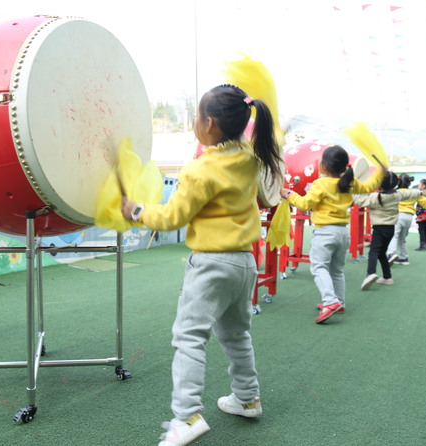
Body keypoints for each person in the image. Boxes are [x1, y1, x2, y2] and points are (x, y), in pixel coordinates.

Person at [121, 84, 283, 446]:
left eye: (196, 117)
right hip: (244, 263)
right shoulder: (251, 159)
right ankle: (247, 398)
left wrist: (136, 211)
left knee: (189, 338)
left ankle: (187, 416)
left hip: (211, 264)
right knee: (237, 334)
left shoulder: (200, 169)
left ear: (208, 124)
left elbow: (172, 217)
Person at [281, 146, 384, 323]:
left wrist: (288, 194)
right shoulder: (350, 182)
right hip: (343, 232)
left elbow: (305, 204)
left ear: (325, 166)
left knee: (319, 267)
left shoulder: (320, 184)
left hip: (325, 233)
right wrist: (381, 173)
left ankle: (330, 302)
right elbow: (369, 185)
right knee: (337, 271)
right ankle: (339, 302)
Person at [353, 172, 424, 290]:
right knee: (381, 253)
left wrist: (355, 190)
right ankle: (387, 277)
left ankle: (370, 274)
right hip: (390, 229)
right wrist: (420, 192)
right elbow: (410, 193)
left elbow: (359, 201)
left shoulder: (375, 197)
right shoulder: (398, 194)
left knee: (373, 252)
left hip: (379, 229)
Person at [386, 174, 426, 265]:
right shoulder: (414, 193)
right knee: (402, 239)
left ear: (398, 182)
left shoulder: (395, 192)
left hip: (397, 216)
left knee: (394, 236)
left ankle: (391, 254)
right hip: (408, 217)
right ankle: (404, 257)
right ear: (409, 182)